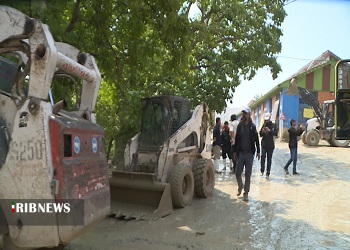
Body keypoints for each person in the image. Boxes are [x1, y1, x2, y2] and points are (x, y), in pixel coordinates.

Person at [233, 108, 260, 201]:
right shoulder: (240, 126)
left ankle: (246, 193)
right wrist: (234, 152)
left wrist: (258, 151)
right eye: (243, 114)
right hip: (241, 153)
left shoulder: (252, 127)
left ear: (249, 115)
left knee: (248, 174)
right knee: (237, 173)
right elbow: (236, 139)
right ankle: (240, 186)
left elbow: (257, 140)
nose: (244, 115)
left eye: (245, 114)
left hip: (249, 154)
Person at [259, 113, 278, 178]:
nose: (266, 121)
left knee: (269, 159)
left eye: (267, 119)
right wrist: (263, 132)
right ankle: (262, 170)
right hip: (264, 144)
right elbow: (260, 134)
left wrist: (269, 131)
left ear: (270, 118)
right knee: (263, 157)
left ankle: (268, 173)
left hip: (270, 145)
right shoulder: (264, 125)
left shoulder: (273, 125)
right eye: (266, 120)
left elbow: (276, 133)